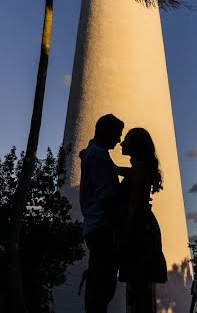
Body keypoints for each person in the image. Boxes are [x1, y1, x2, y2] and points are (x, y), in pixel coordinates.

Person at [117, 127, 167, 313]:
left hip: (139, 229)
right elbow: (131, 174)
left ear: (136, 145)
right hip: (146, 226)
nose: (122, 143)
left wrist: (125, 236)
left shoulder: (138, 169)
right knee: (141, 285)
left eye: (127, 140)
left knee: (138, 285)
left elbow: (134, 205)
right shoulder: (141, 168)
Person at [80, 113, 125, 313]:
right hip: (103, 229)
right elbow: (106, 197)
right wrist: (120, 227)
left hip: (94, 226)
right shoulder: (98, 156)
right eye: (117, 134)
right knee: (102, 288)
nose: (119, 140)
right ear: (104, 131)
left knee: (99, 286)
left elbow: (106, 172)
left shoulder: (94, 153)